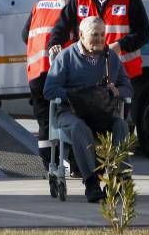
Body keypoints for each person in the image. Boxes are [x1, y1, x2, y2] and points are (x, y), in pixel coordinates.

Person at [44, 16, 133, 203]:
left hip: (101, 112)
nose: (100, 39)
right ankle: (91, 183)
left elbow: (128, 88)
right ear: (81, 35)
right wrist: (77, 95)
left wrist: (117, 91)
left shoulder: (111, 58)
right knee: (79, 128)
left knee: (121, 126)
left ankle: (119, 180)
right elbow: (49, 90)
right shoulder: (66, 57)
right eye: (95, 35)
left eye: (103, 34)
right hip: (71, 112)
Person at [47, 0, 149, 82]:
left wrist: (120, 45)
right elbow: (61, 26)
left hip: (124, 74)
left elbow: (144, 33)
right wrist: (54, 44)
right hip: (88, 74)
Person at [22, 0, 75, 169]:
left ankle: (48, 164)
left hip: (37, 72)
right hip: (62, 72)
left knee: (44, 120)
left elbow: (24, 35)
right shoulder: (70, 6)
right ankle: (72, 160)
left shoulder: (38, 6)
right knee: (68, 114)